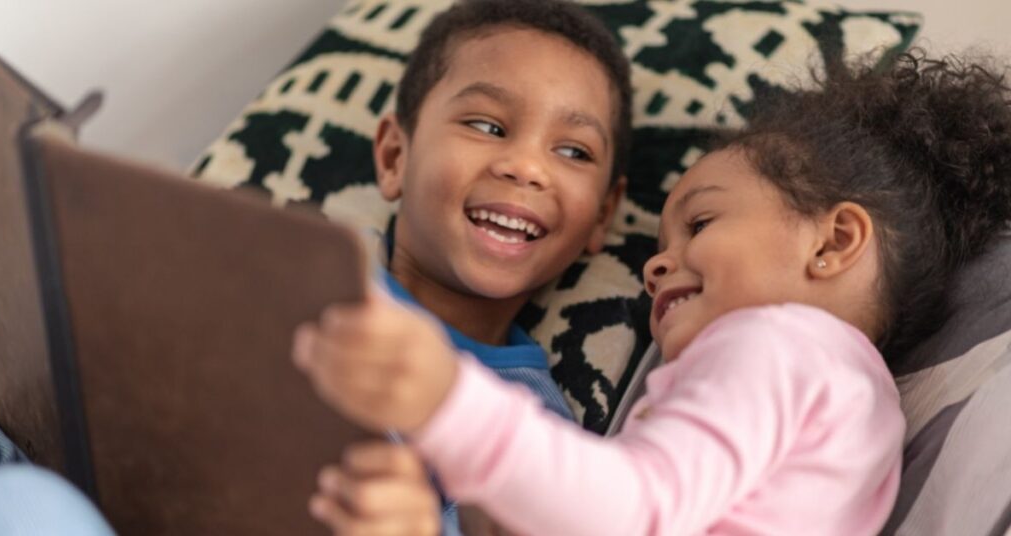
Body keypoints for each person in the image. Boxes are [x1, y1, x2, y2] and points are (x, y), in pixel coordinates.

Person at [294, 49, 1011, 535]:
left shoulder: (777, 344)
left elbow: (634, 508)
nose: (655, 267)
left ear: (832, 242)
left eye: (699, 221)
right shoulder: (860, 404)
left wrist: (450, 404)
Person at [302, 0, 632, 533]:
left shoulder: (539, 442)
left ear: (603, 214)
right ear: (394, 157)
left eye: (573, 152)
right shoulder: (295, 275)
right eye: (487, 125)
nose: (526, 168)